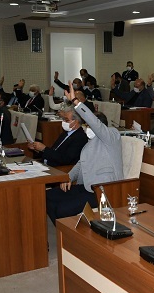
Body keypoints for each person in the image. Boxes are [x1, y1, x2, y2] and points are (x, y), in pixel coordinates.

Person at [45, 84, 123, 224]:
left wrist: (76, 102)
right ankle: (64, 229)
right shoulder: (89, 143)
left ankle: (67, 228)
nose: (85, 128)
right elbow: (80, 164)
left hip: (103, 190)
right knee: (47, 196)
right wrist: (68, 177)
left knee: (62, 209)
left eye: (87, 125)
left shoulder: (111, 137)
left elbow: (96, 124)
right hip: (85, 187)